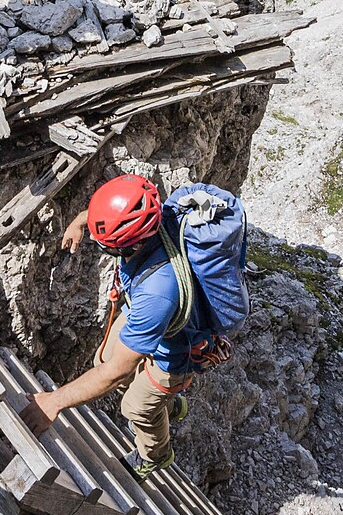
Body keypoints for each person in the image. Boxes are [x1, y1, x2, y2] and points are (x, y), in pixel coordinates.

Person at [20, 174, 208, 479]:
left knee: (135, 407)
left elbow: (116, 374)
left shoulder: (159, 291)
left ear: (132, 245)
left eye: (108, 247)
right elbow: (106, 212)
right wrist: (81, 223)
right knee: (103, 359)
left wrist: (53, 402)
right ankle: (169, 406)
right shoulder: (149, 211)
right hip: (151, 314)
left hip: (179, 349)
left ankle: (155, 455)